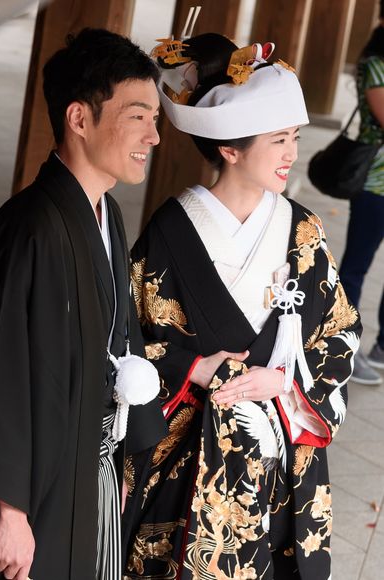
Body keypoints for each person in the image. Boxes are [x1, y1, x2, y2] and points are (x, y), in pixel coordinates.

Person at [0, 28, 167, 580]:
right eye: (138, 116)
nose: (153, 136)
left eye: (155, 118)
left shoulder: (107, 214)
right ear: (79, 118)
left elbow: (120, 342)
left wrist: (123, 456)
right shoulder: (28, 229)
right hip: (34, 484)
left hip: (90, 465)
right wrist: (9, 512)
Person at [121, 32, 362, 580]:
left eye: (294, 137)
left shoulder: (303, 230)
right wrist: (195, 368)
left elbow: (341, 331)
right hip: (186, 461)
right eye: (278, 140)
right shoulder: (171, 231)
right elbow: (129, 339)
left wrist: (285, 383)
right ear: (230, 149)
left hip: (277, 459)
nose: (292, 154)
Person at [338, 4, 384, 385]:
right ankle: (342, 348)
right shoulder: (375, 65)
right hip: (374, 185)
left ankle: (382, 346)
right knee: (355, 267)